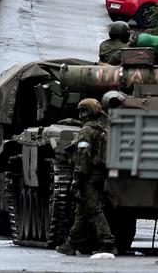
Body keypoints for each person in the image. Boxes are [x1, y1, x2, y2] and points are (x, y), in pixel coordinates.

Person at [57, 98, 116, 257]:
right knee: (83, 211)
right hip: (99, 175)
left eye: (82, 111)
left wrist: (78, 176)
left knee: (93, 208)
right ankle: (71, 243)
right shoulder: (101, 130)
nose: (80, 115)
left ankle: (107, 241)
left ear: (86, 112)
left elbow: (83, 155)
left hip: (88, 175)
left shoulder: (86, 131)